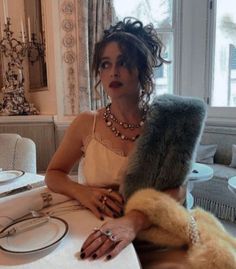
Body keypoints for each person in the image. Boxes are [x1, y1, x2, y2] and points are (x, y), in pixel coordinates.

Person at [45, 17, 188, 269]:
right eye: (105, 64)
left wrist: (133, 221)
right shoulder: (85, 123)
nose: (113, 72)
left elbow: (179, 190)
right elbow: (54, 175)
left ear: (142, 69)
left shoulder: (165, 124)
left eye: (123, 62)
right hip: (92, 230)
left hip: (154, 234)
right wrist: (82, 191)